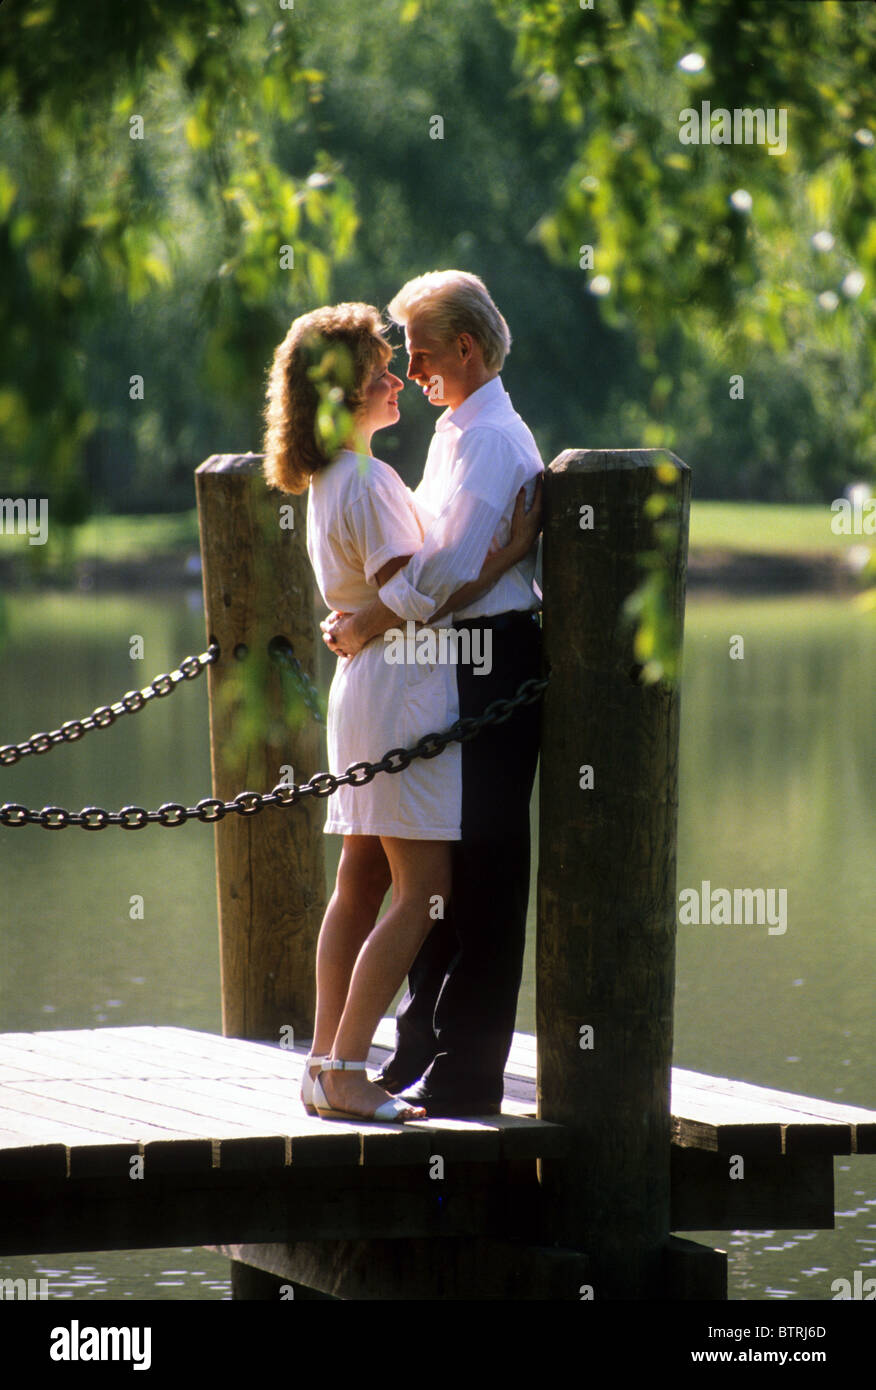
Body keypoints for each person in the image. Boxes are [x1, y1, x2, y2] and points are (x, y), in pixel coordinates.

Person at [262, 302, 540, 1122]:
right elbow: (413, 597)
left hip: (364, 696)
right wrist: (514, 552)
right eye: (383, 369)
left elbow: (379, 593)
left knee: (359, 882)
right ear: (346, 394)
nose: (396, 379)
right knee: (424, 893)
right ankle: (347, 1068)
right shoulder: (374, 481)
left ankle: (324, 1062)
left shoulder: (330, 480)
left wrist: (357, 619)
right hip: (401, 695)